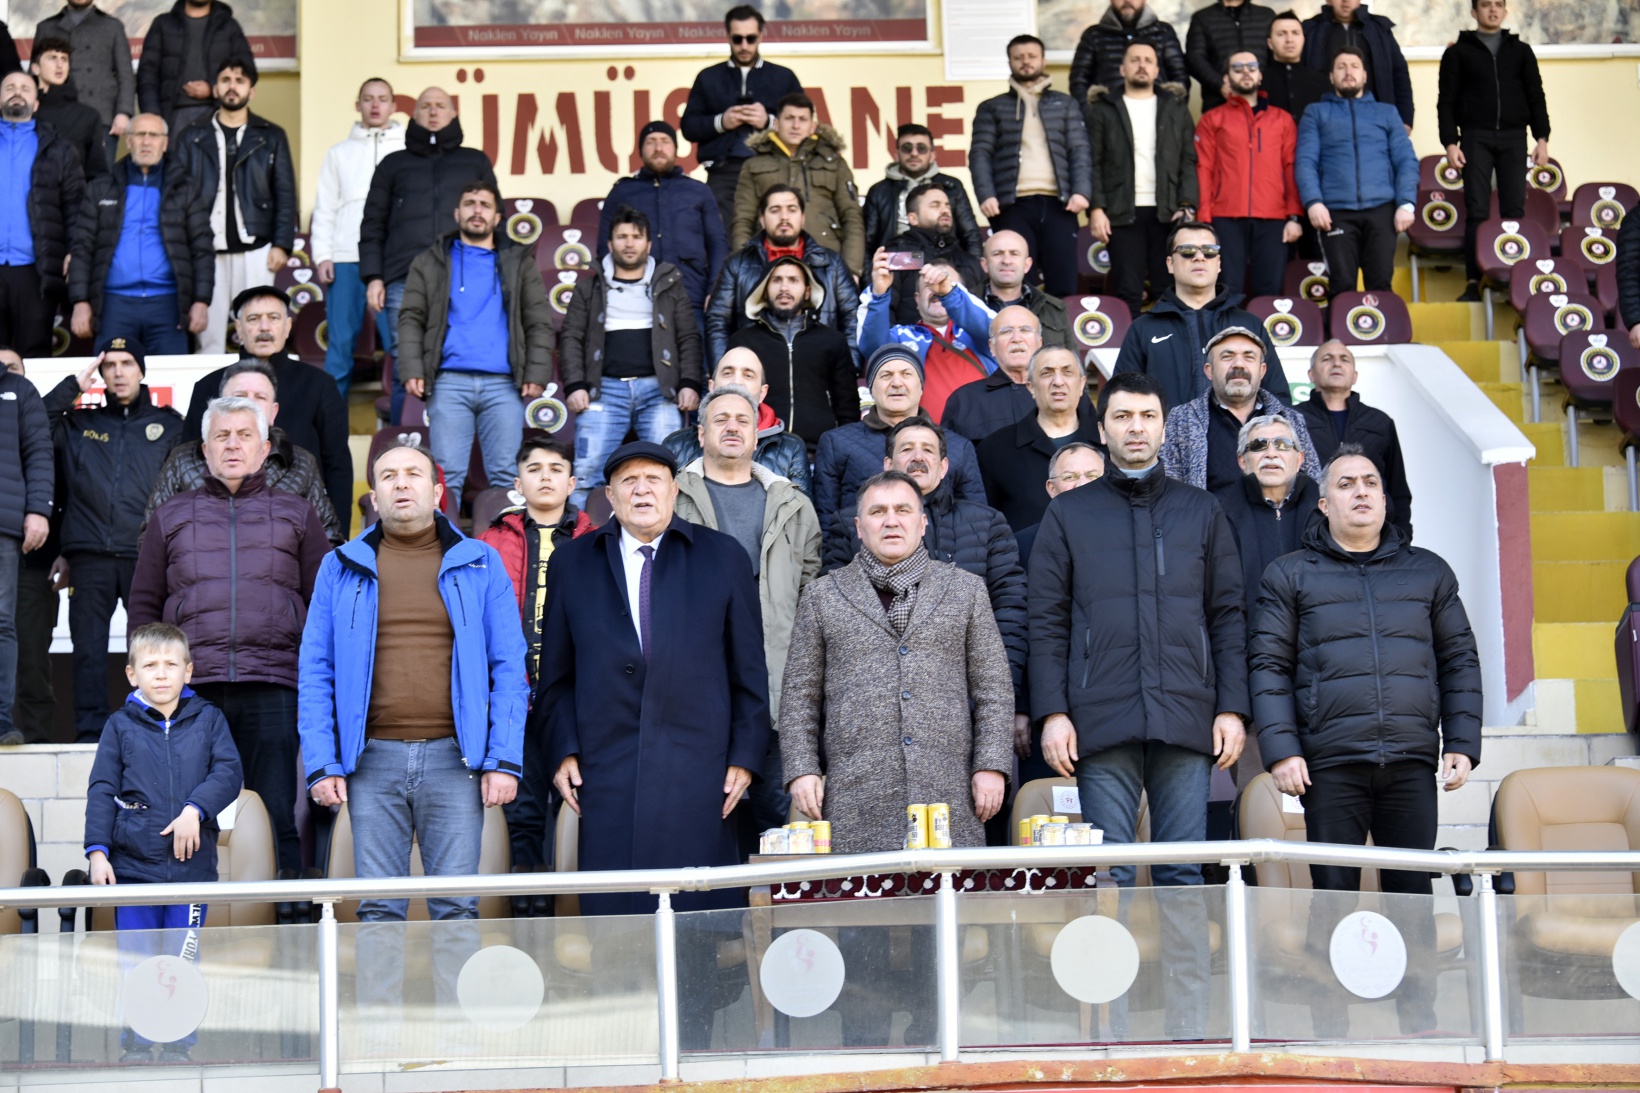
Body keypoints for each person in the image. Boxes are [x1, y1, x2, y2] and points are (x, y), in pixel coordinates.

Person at [1029, 368, 1248, 1043]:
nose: (1134, 427)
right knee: (1111, 873)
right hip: (1101, 718)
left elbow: (1228, 614)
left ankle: (1189, 1032)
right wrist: (1053, 711)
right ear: (1105, 427)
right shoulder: (1069, 512)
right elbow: (1046, 621)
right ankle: (1109, 1030)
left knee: (1183, 870)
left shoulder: (1200, 509)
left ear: (1162, 425)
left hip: (1186, 716)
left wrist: (1231, 706)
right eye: (1122, 416)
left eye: (1146, 416)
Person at [1249, 444, 1483, 1036]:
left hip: (1409, 759)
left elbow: (1459, 659)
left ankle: (1419, 1016)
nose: (1360, 491)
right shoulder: (1290, 575)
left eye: (1371, 483)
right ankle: (1329, 1019)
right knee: (1332, 893)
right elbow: (1269, 666)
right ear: (1323, 503)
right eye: (1346, 484)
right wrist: (1282, 750)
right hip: (1329, 763)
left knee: (1412, 892)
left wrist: (1461, 739)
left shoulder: (1428, 571)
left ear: (1385, 498)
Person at [299, 442, 526, 1048]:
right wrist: (322, 762)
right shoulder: (339, 566)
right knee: (378, 911)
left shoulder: (479, 562)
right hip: (370, 761)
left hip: (458, 761)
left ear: (437, 489)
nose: (402, 485)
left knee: (455, 908)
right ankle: (380, 1046)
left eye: (414, 475)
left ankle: (457, 1047)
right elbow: (315, 669)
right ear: (373, 496)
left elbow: (510, 668)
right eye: (388, 477)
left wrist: (503, 758)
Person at [537, 441, 769, 924]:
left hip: (700, 773)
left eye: (653, 480)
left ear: (674, 489)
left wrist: (746, 757)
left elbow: (749, 670)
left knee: (700, 929)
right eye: (628, 482)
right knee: (618, 930)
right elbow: (555, 677)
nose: (641, 490)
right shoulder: (572, 563)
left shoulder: (722, 556)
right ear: (610, 495)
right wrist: (562, 749)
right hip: (607, 771)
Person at [129, 396, 330, 876]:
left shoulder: (298, 513)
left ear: (265, 449)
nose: (233, 445)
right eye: (222, 436)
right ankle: (192, 915)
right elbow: (144, 602)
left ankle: (290, 919)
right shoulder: (170, 516)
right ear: (204, 449)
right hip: (192, 693)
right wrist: (149, 677)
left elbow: (324, 607)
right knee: (186, 811)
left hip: (274, 684)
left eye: (244, 436)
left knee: (276, 809)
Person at [784, 467, 1012, 854]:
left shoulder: (966, 590)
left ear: (922, 523)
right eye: (878, 512)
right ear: (859, 526)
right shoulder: (821, 596)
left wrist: (991, 765)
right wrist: (801, 770)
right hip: (856, 793)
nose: (891, 520)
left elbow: (993, 687)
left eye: (903, 510)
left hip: (948, 789)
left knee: (951, 906)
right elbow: (799, 696)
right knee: (866, 908)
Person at [84, 622, 242, 1063]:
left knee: (181, 961)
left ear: (188, 671)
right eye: (149, 665)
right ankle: (135, 1042)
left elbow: (228, 773)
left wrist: (195, 809)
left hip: (191, 873)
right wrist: (98, 852)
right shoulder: (119, 726)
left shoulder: (208, 719)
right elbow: (101, 789)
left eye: (171, 664)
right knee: (134, 961)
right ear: (132, 673)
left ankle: (177, 1043)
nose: (161, 673)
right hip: (133, 871)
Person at [675, 384, 821, 838]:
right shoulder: (671, 499)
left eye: (743, 420)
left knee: (779, 824)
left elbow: (810, 592)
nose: (733, 428)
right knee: (701, 822)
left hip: (774, 685)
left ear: (758, 436)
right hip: (696, 689)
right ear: (700, 435)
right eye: (721, 420)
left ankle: (775, 910)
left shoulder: (794, 504)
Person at [821, 420, 1028, 732]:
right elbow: (836, 619)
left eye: (928, 450)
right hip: (875, 711)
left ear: (944, 466)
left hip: (967, 707)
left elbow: (1011, 614)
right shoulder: (850, 525)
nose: (918, 457)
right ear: (888, 464)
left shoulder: (988, 524)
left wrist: (998, 699)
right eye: (907, 449)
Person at [46, 336, 183, 742]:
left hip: (145, 556)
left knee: (153, 653)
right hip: (88, 556)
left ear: (142, 370)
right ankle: (90, 732)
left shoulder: (171, 424)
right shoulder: (79, 424)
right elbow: (33, 423)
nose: (119, 372)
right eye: (110, 365)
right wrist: (74, 385)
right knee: (87, 651)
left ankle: (151, 730)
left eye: (127, 363)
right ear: (101, 372)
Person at [398, 180, 554, 512]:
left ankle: (505, 560)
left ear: (498, 217)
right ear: (457, 213)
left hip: (503, 384)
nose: (477, 210)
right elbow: (411, 316)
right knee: (446, 476)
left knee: (505, 477)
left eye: (485, 204)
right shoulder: (431, 260)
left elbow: (538, 320)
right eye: (470, 203)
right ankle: (442, 558)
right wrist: (412, 367)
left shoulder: (518, 261)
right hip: (449, 381)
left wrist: (537, 372)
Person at [478, 436, 593, 874]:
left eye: (556, 469)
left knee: (582, 805)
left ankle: (578, 914)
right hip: (512, 699)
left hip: (576, 700)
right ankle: (526, 909)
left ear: (572, 482)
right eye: (535, 468)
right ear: (517, 483)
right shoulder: (489, 540)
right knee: (521, 812)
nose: (545, 476)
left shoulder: (596, 541)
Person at [358, 86, 498, 424]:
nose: (433, 112)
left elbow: (496, 217)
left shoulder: (475, 160)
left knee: (460, 362)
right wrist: (374, 276)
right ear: (413, 114)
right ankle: (403, 444)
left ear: (453, 114)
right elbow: (372, 223)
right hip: (403, 280)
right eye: (425, 106)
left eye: (440, 106)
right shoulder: (393, 165)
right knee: (406, 363)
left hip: (465, 280)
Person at [562, 205, 703, 508]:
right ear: (610, 243)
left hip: (658, 391)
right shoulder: (589, 287)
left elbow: (688, 336)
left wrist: (690, 382)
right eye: (622, 236)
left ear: (648, 244)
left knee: (668, 471)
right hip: (603, 391)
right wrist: (575, 385)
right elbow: (571, 337)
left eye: (636, 237)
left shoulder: (669, 283)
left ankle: (670, 547)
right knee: (586, 474)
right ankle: (575, 545)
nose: (629, 243)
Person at [180, 287, 353, 527]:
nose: (264, 327)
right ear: (238, 329)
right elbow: (188, 460)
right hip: (219, 524)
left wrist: (339, 531)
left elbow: (338, 465)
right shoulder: (207, 387)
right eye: (253, 319)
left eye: (273, 318)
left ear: (288, 326)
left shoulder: (319, 385)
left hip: (301, 525)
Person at [174, 55, 297, 355]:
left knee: (260, 333)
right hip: (206, 251)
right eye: (226, 80)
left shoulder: (271, 135)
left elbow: (285, 193)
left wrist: (282, 244)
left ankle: (261, 397)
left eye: (240, 81)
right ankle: (212, 402)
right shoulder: (191, 136)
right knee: (209, 339)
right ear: (215, 88)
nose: (232, 87)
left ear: (251, 91)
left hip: (256, 248)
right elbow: (177, 197)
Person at [147, 359, 343, 545]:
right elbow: (152, 537)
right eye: (239, 397)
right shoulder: (181, 460)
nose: (250, 405)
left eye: (260, 397)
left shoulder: (302, 463)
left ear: (273, 412)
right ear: (220, 405)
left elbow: (327, 539)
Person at [69, 112, 212, 353]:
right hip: (114, 303)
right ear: (128, 140)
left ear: (165, 143)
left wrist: (201, 301)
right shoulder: (102, 186)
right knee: (111, 381)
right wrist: (80, 301)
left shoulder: (184, 188)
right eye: (140, 134)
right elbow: (82, 246)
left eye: (154, 135)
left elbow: (202, 248)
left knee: (171, 380)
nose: (146, 141)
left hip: (168, 303)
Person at [1438, 0, 1551, 302]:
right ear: (1474, 12)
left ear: (1504, 11)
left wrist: (1542, 138)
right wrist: (1450, 142)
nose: (1492, 10)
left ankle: (1516, 278)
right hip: (1475, 137)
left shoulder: (1521, 52)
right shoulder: (1456, 53)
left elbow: (1536, 95)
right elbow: (1446, 101)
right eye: (1485, 5)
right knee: (1477, 211)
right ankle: (1474, 282)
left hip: (1515, 138)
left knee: (1514, 210)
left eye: (1498, 5)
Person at [1111, 222, 1291, 411]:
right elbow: (1121, 399)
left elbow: (1278, 399)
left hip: (1238, 439)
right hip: (1166, 439)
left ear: (1219, 263)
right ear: (1170, 264)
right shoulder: (1143, 329)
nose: (1199, 257)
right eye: (1187, 251)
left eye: (1209, 251)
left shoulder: (1249, 325)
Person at [814, 344, 988, 534]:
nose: (897, 383)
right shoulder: (837, 443)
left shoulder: (958, 446)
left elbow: (976, 521)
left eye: (906, 374)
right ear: (871, 387)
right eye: (886, 375)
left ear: (921, 386)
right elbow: (826, 521)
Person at [970, 36, 1092, 299]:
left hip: (1060, 204)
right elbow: (980, 153)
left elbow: (1079, 149)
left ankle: (1059, 340)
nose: (1026, 61)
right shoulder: (992, 107)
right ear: (1010, 62)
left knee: (1064, 280)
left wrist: (1082, 191)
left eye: (1031, 56)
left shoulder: (1066, 103)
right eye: (1018, 57)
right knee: (1017, 282)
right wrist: (986, 194)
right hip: (1012, 205)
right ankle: (1019, 337)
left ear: (1043, 60)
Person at [1294, 47, 1418, 298]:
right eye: (1341, 67)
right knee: (1341, 285)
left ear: (1364, 75)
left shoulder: (1387, 113)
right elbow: (1306, 161)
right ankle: (1340, 338)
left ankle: (1384, 339)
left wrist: (1406, 203)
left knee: (1381, 283)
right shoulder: (1316, 113)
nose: (1348, 72)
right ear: (1331, 77)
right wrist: (1313, 202)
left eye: (1354, 66)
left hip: (1382, 210)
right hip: (1335, 212)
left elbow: (1405, 160)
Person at [1086, 42, 1199, 315]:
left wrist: (1187, 204)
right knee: (1127, 290)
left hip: (1168, 212)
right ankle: (1132, 354)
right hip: (1121, 212)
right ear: (1123, 69)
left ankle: (1166, 351)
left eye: (1148, 60)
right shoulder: (1104, 108)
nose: (1142, 65)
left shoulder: (1175, 107)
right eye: (1135, 60)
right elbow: (1093, 162)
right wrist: (1097, 209)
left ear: (1157, 69)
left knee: (1168, 288)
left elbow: (1188, 159)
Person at [310, 77, 405, 394]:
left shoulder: (407, 150)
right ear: (358, 105)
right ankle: (332, 437)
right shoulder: (339, 153)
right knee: (340, 346)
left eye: (382, 98)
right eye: (368, 98)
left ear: (394, 105)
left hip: (392, 261)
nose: (375, 105)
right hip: (347, 256)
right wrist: (323, 254)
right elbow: (325, 207)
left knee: (399, 343)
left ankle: (403, 425)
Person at [680, 4, 803, 231]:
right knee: (727, 240)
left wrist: (768, 122)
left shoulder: (783, 77)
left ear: (761, 36)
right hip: (724, 171)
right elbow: (688, 126)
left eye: (751, 38)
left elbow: (803, 124)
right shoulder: (708, 78)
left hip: (774, 167)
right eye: (738, 39)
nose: (744, 46)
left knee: (777, 237)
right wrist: (721, 122)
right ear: (727, 37)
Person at [706, 184, 859, 366]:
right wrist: (727, 373)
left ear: (802, 218)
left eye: (791, 210)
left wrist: (848, 370)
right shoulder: (737, 264)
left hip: (820, 371)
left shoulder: (831, 263)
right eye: (775, 210)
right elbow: (717, 322)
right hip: (754, 374)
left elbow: (853, 318)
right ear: (762, 219)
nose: (784, 217)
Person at [598, 120, 727, 328]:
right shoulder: (622, 192)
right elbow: (605, 247)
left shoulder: (699, 191)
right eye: (650, 142)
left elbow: (718, 245)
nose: (658, 148)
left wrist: (714, 290)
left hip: (692, 296)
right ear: (640, 150)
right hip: (638, 301)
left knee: (695, 360)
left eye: (665, 141)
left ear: (676, 149)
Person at [1194, 52, 1302, 298]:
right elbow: (1204, 168)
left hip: (1273, 217)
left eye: (1251, 67)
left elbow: (1291, 167)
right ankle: (1226, 337)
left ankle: (1260, 338)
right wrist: (1204, 218)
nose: (1245, 71)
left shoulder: (1282, 119)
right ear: (1227, 77)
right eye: (1237, 67)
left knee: (1269, 289)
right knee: (1226, 289)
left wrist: (1294, 217)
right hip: (1224, 216)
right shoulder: (1212, 119)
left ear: (1260, 75)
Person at [1161, 325, 1320, 491]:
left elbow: (1313, 485)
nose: (1238, 364)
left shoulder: (1292, 420)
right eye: (1227, 357)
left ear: (1262, 371)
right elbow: (1169, 489)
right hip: (1207, 517)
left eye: (1249, 357)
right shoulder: (1181, 420)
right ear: (1209, 371)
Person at [727, 256, 856, 453]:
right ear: (764, 289)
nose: (784, 288)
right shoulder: (743, 341)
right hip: (758, 451)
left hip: (819, 454)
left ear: (808, 291)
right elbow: (731, 400)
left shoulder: (832, 340)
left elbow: (847, 406)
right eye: (776, 280)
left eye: (793, 280)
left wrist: (844, 451)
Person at [0, 69, 86, 358]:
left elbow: (74, 205)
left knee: (34, 353)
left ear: (36, 103)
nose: (16, 92)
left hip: (36, 269)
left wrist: (74, 249)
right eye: (9, 87)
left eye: (25, 88)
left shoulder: (59, 149)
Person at [730, 92, 863, 278]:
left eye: (802, 119)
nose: (795, 125)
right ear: (776, 124)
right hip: (768, 264)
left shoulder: (835, 163)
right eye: (789, 118)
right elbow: (743, 220)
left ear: (812, 126)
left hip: (826, 263)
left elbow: (852, 217)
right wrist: (743, 268)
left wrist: (852, 270)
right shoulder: (754, 165)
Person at [0, 347, 61, 746]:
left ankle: (1, 722)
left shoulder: (19, 390)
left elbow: (39, 453)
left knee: (1, 624)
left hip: (2, 525)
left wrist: (38, 510)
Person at [978, 346, 1104, 531]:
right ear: (1031, 387)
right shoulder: (995, 448)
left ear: (1081, 384)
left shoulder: (1109, 442)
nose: (1058, 381)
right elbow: (984, 521)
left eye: (1067, 372)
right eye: (1047, 373)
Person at [1295, 338, 1412, 538]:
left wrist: (1402, 536)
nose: (1337, 364)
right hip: (1309, 534)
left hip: (1373, 535)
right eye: (1327, 359)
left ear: (1355, 376)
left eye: (1344, 359)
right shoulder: (1292, 420)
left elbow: (1398, 489)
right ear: (1311, 374)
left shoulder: (1380, 422)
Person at [858, 257, 996, 422]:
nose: (937, 290)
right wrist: (879, 294)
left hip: (985, 437)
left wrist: (950, 295)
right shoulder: (901, 337)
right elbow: (872, 348)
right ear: (917, 299)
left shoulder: (979, 335)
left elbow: (998, 330)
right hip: (923, 442)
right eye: (928, 285)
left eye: (946, 283)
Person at [663, 347, 812, 496]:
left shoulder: (791, 447)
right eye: (728, 373)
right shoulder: (677, 444)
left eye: (748, 375)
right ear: (711, 387)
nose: (736, 382)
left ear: (762, 393)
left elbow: (800, 514)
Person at [34, 1, 135, 172]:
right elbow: (35, 74)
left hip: (103, 118)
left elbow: (125, 75)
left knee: (99, 180)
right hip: (54, 117)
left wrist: (123, 113)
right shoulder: (46, 27)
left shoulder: (113, 26)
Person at [862, 124, 982, 261]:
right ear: (896, 154)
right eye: (907, 148)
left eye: (921, 148)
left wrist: (974, 274)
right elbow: (867, 244)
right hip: (895, 268)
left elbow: (971, 236)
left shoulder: (951, 186)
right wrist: (870, 279)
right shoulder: (879, 191)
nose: (914, 153)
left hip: (945, 264)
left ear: (932, 155)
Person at [135, 0, 250, 133]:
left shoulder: (229, 26)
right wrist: (152, 116)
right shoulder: (163, 24)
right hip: (173, 116)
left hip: (218, 113)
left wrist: (213, 88)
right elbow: (147, 73)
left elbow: (247, 71)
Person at [1300, 0, 1414, 130]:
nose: (1345, 1)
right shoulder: (1312, 31)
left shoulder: (1379, 30)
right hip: (1326, 122)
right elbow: (1300, 78)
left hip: (1377, 119)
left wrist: (1406, 119)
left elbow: (1399, 74)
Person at [883, 182, 986, 324]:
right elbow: (884, 310)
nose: (945, 210)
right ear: (913, 218)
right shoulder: (898, 257)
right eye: (935, 205)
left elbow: (980, 316)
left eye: (947, 205)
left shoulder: (967, 260)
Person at [942, 305, 1044, 442]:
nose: (1016, 338)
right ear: (992, 347)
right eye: (1006, 332)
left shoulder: (1061, 392)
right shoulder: (965, 400)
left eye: (1025, 330)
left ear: (1039, 343)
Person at [978, 230, 1070, 351]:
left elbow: (1073, 364)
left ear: (1027, 265)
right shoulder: (964, 306)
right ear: (985, 264)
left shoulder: (1054, 309)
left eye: (1014, 254)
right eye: (997, 254)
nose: (1006, 261)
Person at [31, 37, 105, 178]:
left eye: (64, 59)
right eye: (52, 58)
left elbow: (97, 172)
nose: (60, 65)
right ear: (35, 68)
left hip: (73, 196)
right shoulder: (21, 112)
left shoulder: (88, 116)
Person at [1187, 0, 1276, 112]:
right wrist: (1220, 85)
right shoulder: (1202, 18)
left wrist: (1259, 82)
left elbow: (1276, 55)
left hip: (1263, 102)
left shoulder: (1266, 15)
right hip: (1218, 103)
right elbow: (1194, 58)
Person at [1263, 10, 1329, 122]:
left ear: (1303, 40)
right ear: (1270, 43)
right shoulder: (1258, 83)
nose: (1289, 40)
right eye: (1281, 34)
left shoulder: (1322, 84)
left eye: (1295, 33)